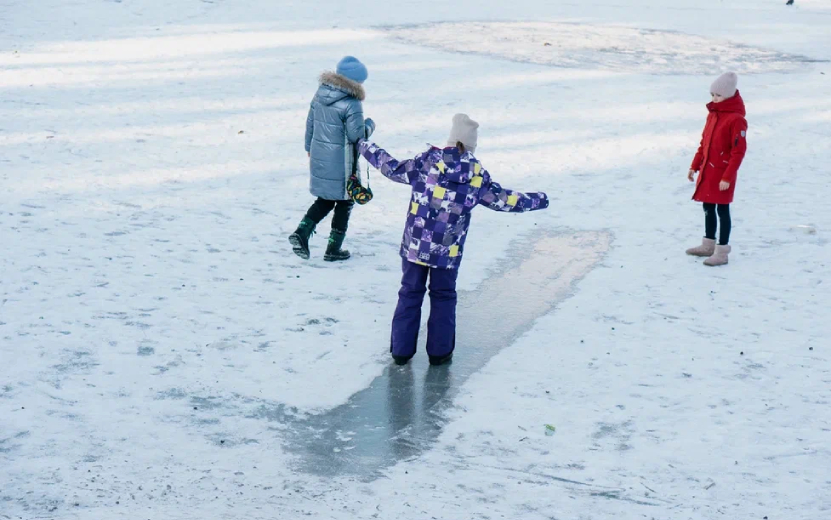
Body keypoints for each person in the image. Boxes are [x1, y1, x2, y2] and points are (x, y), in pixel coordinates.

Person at [358, 114, 550, 365]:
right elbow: (504, 201)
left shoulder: (426, 163)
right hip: (447, 252)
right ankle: (439, 352)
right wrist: (540, 199)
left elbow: (391, 167)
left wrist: (364, 145)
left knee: (409, 293)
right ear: (471, 145)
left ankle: (401, 351)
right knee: (443, 296)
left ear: (450, 140)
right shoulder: (477, 175)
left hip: (415, 246)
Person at [289, 56, 375, 262]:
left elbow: (310, 123)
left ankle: (302, 232)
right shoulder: (351, 103)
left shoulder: (320, 94)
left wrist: (309, 147)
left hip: (320, 155)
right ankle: (333, 249)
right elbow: (357, 135)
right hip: (342, 163)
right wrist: (370, 125)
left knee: (326, 198)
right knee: (345, 201)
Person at [686, 72, 748, 267]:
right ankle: (708, 245)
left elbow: (738, 152)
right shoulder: (713, 115)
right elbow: (704, 143)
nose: (714, 99)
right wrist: (694, 165)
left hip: (722, 174)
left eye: (718, 95)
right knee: (707, 207)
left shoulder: (736, 120)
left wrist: (727, 177)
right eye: (712, 94)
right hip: (708, 171)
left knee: (722, 209)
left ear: (729, 95)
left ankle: (722, 251)